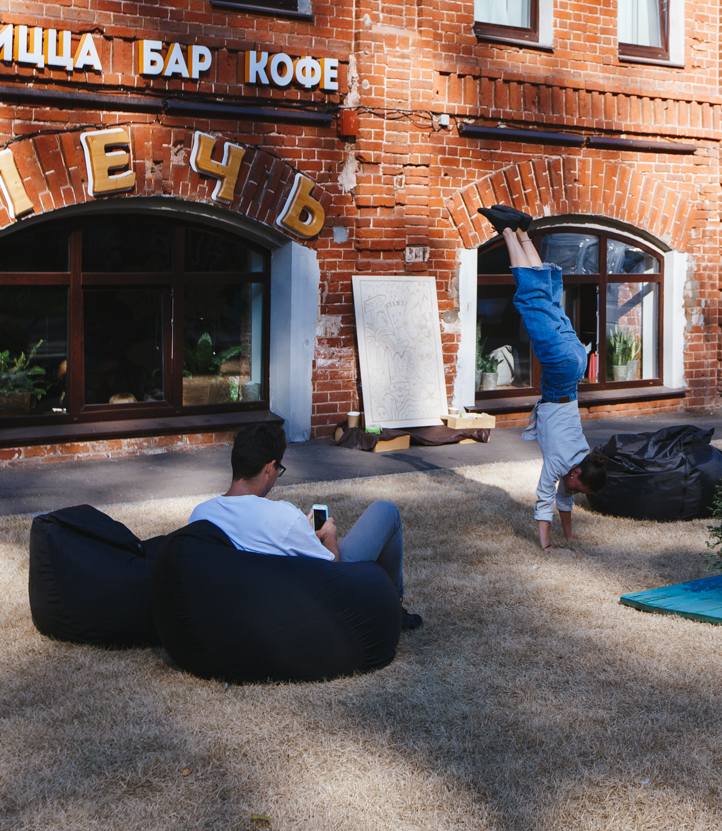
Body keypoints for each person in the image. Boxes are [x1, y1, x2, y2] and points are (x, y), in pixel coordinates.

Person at [189, 420, 423, 630]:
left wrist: (303, 531)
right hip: (306, 605)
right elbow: (331, 567)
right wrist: (328, 536)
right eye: (278, 470)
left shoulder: (200, 514)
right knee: (386, 511)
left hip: (238, 609)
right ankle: (394, 606)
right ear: (269, 468)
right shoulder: (282, 516)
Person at [479, 206, 609, 554]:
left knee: (549, 299)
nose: (574, 493)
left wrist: (571, 537)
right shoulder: (559, 464)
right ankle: (507, 231)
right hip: (561, 371)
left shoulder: (581, 457)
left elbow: (563, 499)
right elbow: (544, 499)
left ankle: (523, 231)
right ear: (575, 475)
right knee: (530, 299)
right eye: (579, 489)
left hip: (575, 362)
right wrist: (547, 545)